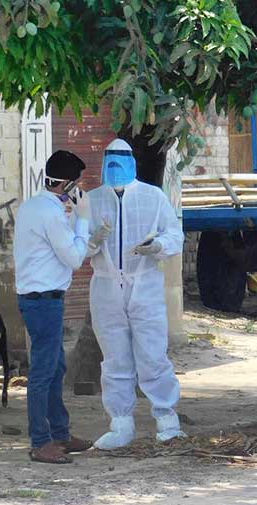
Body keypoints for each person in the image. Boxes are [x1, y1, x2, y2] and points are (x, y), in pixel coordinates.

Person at [87, 139, 185, 450]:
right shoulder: (91, 201)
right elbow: (78, 247)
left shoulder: (152, 197)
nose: (115, 167)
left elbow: (174, 234)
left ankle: (167, 421)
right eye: (110, 160)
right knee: (114, 358)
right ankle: (120, 424)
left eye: (121, 160)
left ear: (132, 163)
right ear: (103, 163)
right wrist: (93, 239)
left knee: (153, 354)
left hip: (144, 284)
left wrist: (157, 247)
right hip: (105, 285)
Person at [14, 150, 111, 464]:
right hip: (43, 302)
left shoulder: (35, 207)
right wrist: (82, 219)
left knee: (56, 369)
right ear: (68, 185)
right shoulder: (50, 213)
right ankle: (41, 442)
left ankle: (60, 434)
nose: (79, 191)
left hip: (41, 300)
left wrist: (80, 230)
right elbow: (71, 258)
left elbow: (64, 247)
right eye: (77, 185)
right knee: (43, 373)